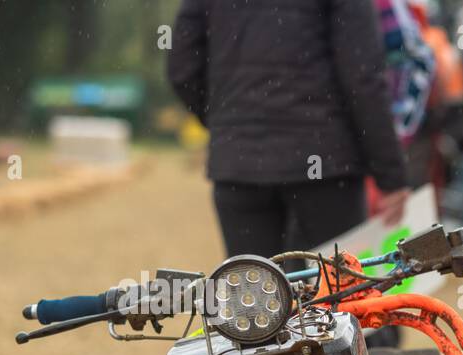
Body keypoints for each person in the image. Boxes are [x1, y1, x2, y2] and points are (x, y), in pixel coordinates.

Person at [167, 0, 411, 262]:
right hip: (327, 167)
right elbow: (362, 78)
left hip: (240, 167)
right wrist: (391, 175)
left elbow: (181, 68)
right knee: (338, 291)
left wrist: (228, 123)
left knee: (257, 296)